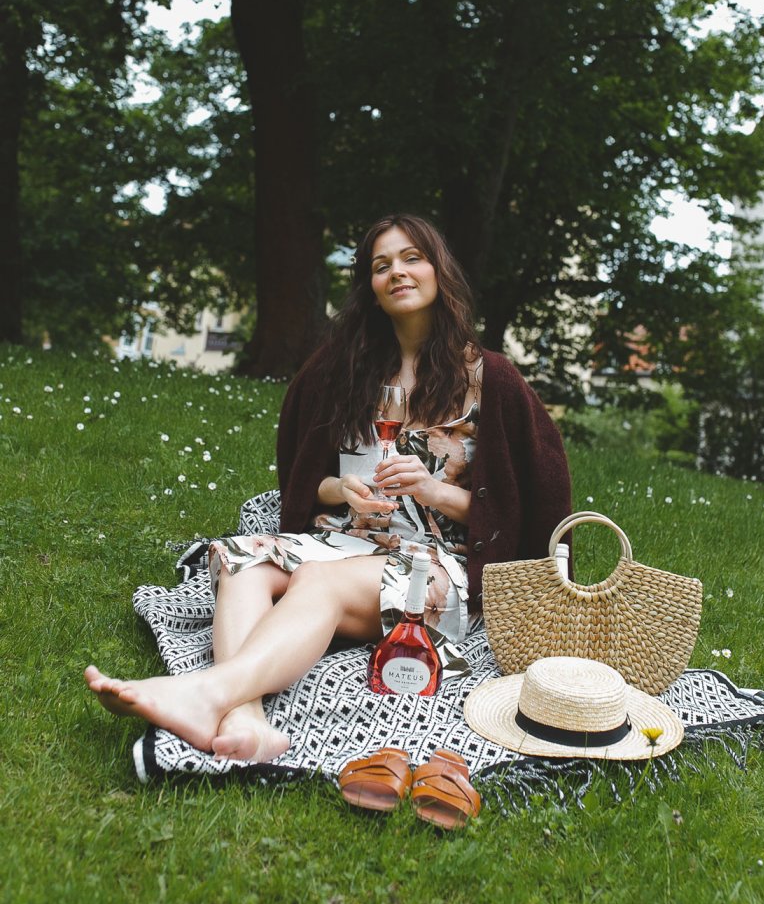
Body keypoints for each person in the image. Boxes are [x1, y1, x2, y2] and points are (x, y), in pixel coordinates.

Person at [85, 214, 572, 761]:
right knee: (237, 559)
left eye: (412, 258)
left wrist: (435, 494)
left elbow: (530, 509)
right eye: (381, 265)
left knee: (316, 581)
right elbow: (301, 479)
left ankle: (206, 693)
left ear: (440, 272)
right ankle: (246, 721)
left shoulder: (491, 379)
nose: (397, 273)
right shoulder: (342, 370)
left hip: (438, 564)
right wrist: (341, 490)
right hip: (349, 541)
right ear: (370, 286)